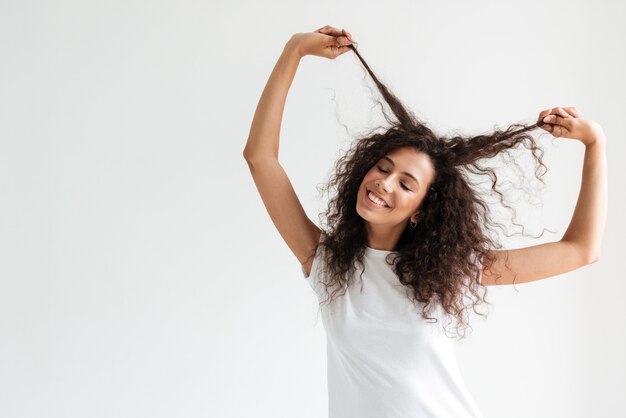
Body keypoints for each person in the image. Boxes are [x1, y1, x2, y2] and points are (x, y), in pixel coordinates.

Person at [243, 24, 607, 418]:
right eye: (382, 168)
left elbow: (580, 250)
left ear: (421, 209)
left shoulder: (450, 271)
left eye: (405, 182)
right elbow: (260, 158)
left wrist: (594, 143)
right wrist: (293, 50)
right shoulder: (326, 263)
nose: (383, 183)